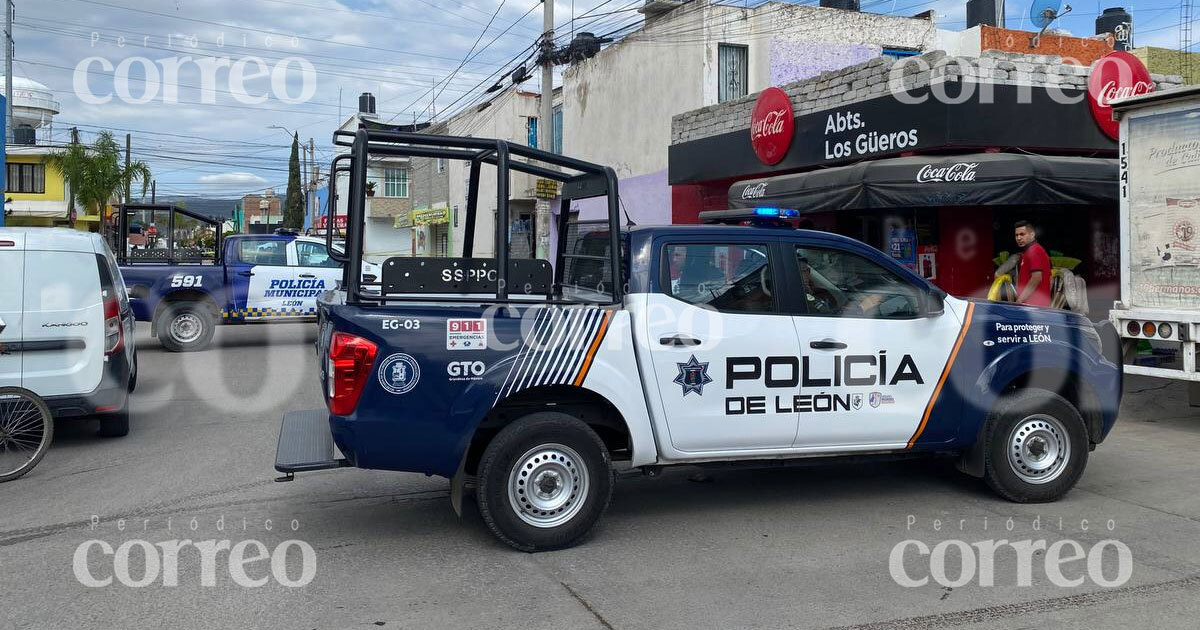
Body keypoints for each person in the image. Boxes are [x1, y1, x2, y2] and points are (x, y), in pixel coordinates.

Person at [1014, 220, 1052, 307]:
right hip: (1037, 307)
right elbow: (1050, 280)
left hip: (1033, 308)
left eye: (1022, 234)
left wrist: (1019, 301)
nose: (1019, 238)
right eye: (1016, 235)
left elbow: (1036, 278)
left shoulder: (1034, 251)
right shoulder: (1032, 250)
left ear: (1032, 234)